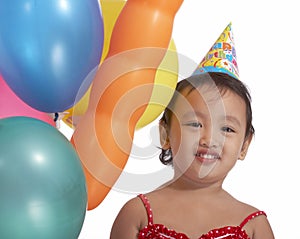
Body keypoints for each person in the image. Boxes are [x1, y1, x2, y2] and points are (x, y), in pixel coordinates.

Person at [110, 72, 275, 239]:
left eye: (227, 129)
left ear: (244, 146)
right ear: (165, 135)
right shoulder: (137, 214)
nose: (209, 140)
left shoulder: (255, 226)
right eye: (195, 124)